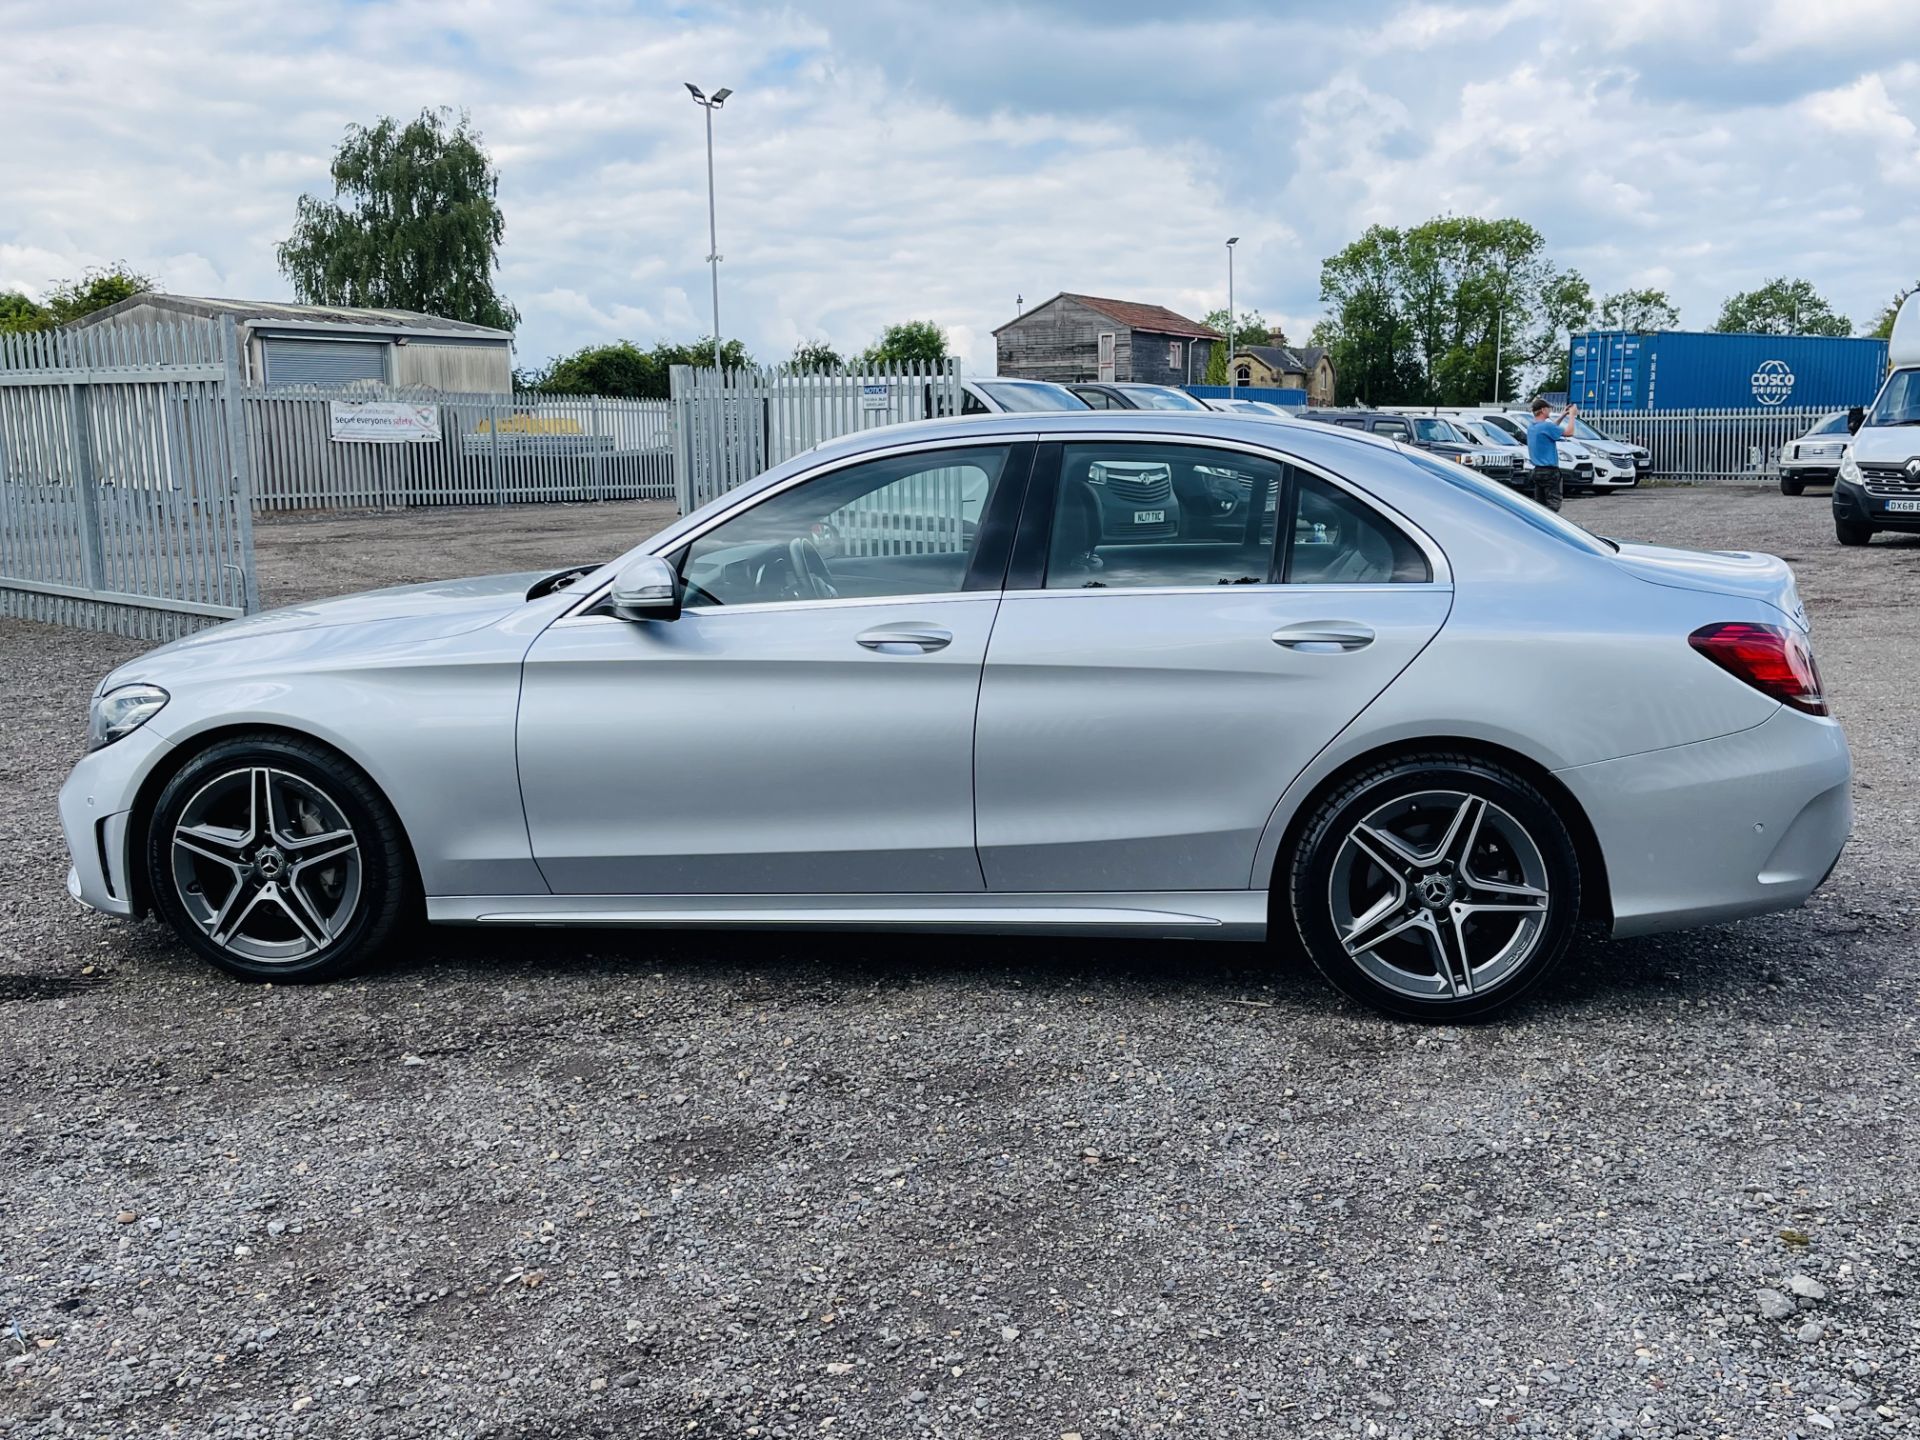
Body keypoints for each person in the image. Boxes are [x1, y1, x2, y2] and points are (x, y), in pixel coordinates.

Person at [1526, 397, 1578, 512]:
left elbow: (1551, 428)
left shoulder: (1532, 427)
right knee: (1553, 505)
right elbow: (1570, 432)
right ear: (1543, 410)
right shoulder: (1546, 426)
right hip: (1550, 472)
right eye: (1549, 409)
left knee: (1540, 506)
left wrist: (1562, 416)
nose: (1550, 411)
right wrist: (1572, 416)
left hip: (1537, 471)